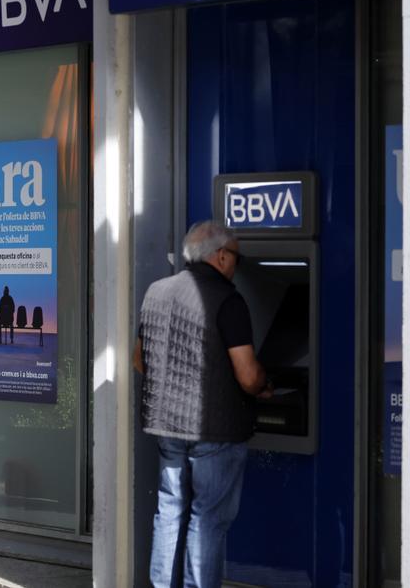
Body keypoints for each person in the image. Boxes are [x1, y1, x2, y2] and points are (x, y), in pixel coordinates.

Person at [134, 220, 272, 588]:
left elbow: (138, 360)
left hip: (167, 424)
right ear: (222, 255)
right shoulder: (229, 300)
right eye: (237, 259)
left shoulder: (156, 292)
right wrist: (266, 386)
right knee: (207, 517)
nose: (236, 267)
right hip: (215, 428)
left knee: (169, 510)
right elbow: (248, 375)